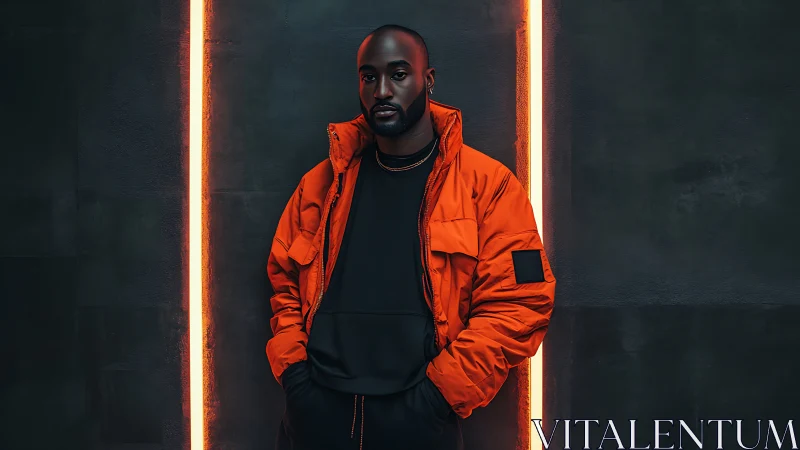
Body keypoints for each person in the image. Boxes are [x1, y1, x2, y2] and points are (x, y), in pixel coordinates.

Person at [267, 24, 556, 450]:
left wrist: (437, 398)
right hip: (315, 419)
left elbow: (519, 305)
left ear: (429, 80)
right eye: (369, 77)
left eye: (398, 74)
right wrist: (296, 380)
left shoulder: (487, 185)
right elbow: (284, 282)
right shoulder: (322, 184)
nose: (382, 90)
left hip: (418, 424)